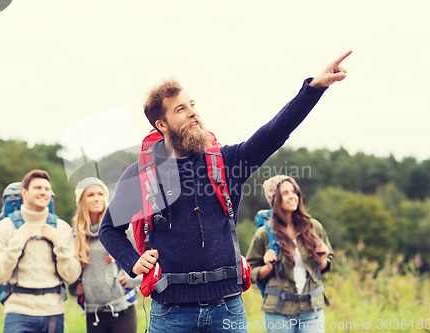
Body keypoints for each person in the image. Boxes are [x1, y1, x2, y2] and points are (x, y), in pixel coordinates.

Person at [99, 50, 351, 333]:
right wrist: (133, 263)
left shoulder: (227, 162)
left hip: (227, 308)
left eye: (192, 104)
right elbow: (108, 229)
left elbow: (274, 133)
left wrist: (313, 89)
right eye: (180, 109)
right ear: (161, 124)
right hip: (170, 312)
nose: (193, 111)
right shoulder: (141, 176)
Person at [0, 169, 82, 333]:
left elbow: (72, 275)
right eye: (38, 188)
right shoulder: (5, 227)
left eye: (47, 189)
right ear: (24, 192)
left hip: (54, 313)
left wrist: (58, 242)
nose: (43, 192)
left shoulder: (61, 228)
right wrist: (17, 242)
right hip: (18, 313)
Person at [246, 175, 334, 333]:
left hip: (312, 308)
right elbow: (249, 272)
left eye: (294, 192)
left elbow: (326, 264)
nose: (292, 196)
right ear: (274, 199)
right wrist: (267, 267)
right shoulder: (264, 234)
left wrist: (323, 259)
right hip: (278, 311)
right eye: (285, 193)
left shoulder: (314, 227)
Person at [69, 177, 141, 333]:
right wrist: (74, 286)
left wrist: (132, 278)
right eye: (91, 195)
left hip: (123, 307)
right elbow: (69, 266)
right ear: (81, 201)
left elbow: (141, 255)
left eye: (101, 194)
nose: (97, 198)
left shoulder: (118, 228)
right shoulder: (75, 234)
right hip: (93, 311)